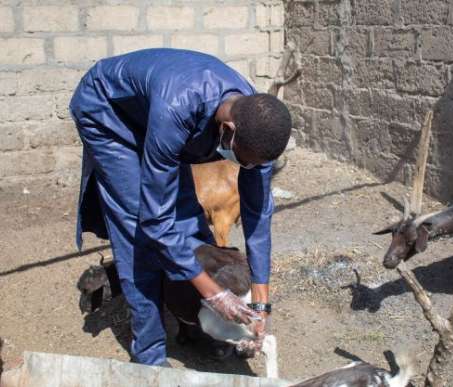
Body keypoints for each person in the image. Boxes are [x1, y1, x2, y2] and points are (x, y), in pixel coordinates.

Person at [69, 48, 292, 366]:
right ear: (227, 131)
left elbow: (258, 216)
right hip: (109, 114)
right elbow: (156, 221)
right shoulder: (180, 110)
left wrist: (261, 301)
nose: (248, 168)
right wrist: (215, 294)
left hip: (158, 116)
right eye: (244, 162)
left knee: (188, 218)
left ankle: (194, 325)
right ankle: (150, 356)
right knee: (139, 231)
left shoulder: (258, 128)